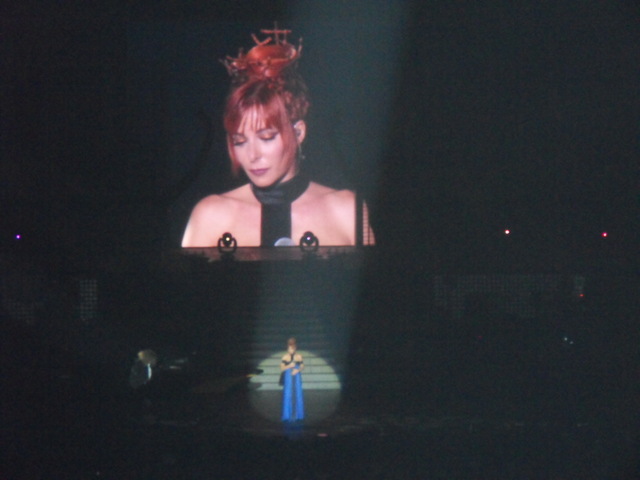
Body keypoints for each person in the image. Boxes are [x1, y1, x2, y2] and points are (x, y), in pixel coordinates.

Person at [181, 27, 374, 247]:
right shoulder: (211, 215)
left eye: (266, 137)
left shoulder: (346, 210)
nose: (253, 155)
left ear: (299, 132)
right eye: (240, 141)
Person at [280, 337, 304, 422]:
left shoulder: (299, 356)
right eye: (289, 348)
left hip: (296, 376)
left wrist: (298, 370)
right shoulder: (285, 357)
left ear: (295, 348)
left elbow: (302, 366)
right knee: (288, 393)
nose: (290, 350)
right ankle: (287, 415)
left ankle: (298, 415)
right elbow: (282, 368)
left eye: (292, 348)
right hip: (288, 377)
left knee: (298, 393)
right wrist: (289, 366)